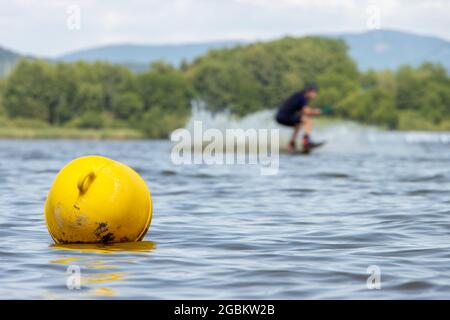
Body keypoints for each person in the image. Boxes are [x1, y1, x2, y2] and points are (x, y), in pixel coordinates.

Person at [275, 83, 322, 152]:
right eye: (314, 92)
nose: (315, 94)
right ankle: (306, 141)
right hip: (284, 116)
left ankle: (291, 144)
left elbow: (300, 111)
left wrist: (312, 112)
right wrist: (315, 112)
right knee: (307, 119)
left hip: (281, 116)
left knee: (299, 123)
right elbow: (306, 111)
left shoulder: (300, 96)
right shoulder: (302, 97)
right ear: (309, 91)